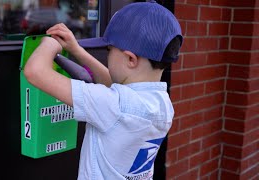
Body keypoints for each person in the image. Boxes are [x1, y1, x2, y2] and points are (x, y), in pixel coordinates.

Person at [24, 1, 182, 180]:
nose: (108, 55)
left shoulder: (113, 105)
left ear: (130, 59)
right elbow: (116, 87)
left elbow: (35, 72)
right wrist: (77, 50)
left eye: (109, 50)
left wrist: (50, 43)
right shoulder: (162, 104)